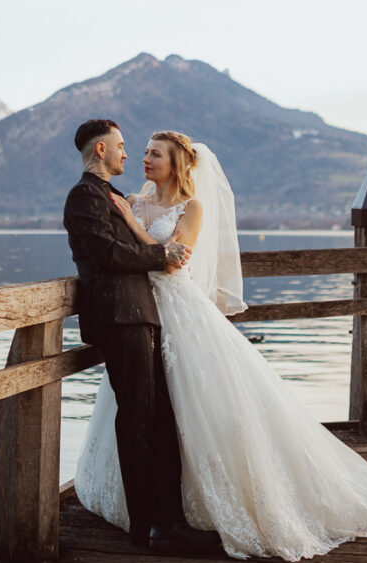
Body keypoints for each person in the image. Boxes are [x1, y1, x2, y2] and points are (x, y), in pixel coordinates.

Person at [74, 130, 367, 561]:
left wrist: (134, 226)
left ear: (177, 163)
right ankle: (152, 512)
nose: (145, 159)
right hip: (142, 317)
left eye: (155, 154)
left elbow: (175, 260)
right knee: (148, 412)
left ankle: (200, 508)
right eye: (145, 152)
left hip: (181, 314)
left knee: (201, 407)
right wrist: (129, 221)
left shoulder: (191, 208)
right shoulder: (131, 199)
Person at [63, 120, 221, 554]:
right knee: (137, 420)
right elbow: (107, 254)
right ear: (100, 150)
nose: (129, 155)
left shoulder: (113, 197)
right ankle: (147, 528)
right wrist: (160, 254)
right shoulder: (85, 196)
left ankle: (168, 522)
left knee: (160, 420)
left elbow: (128, 251)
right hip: (120, 316)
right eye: (122, 146)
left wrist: (155, 249)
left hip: (142, 313)